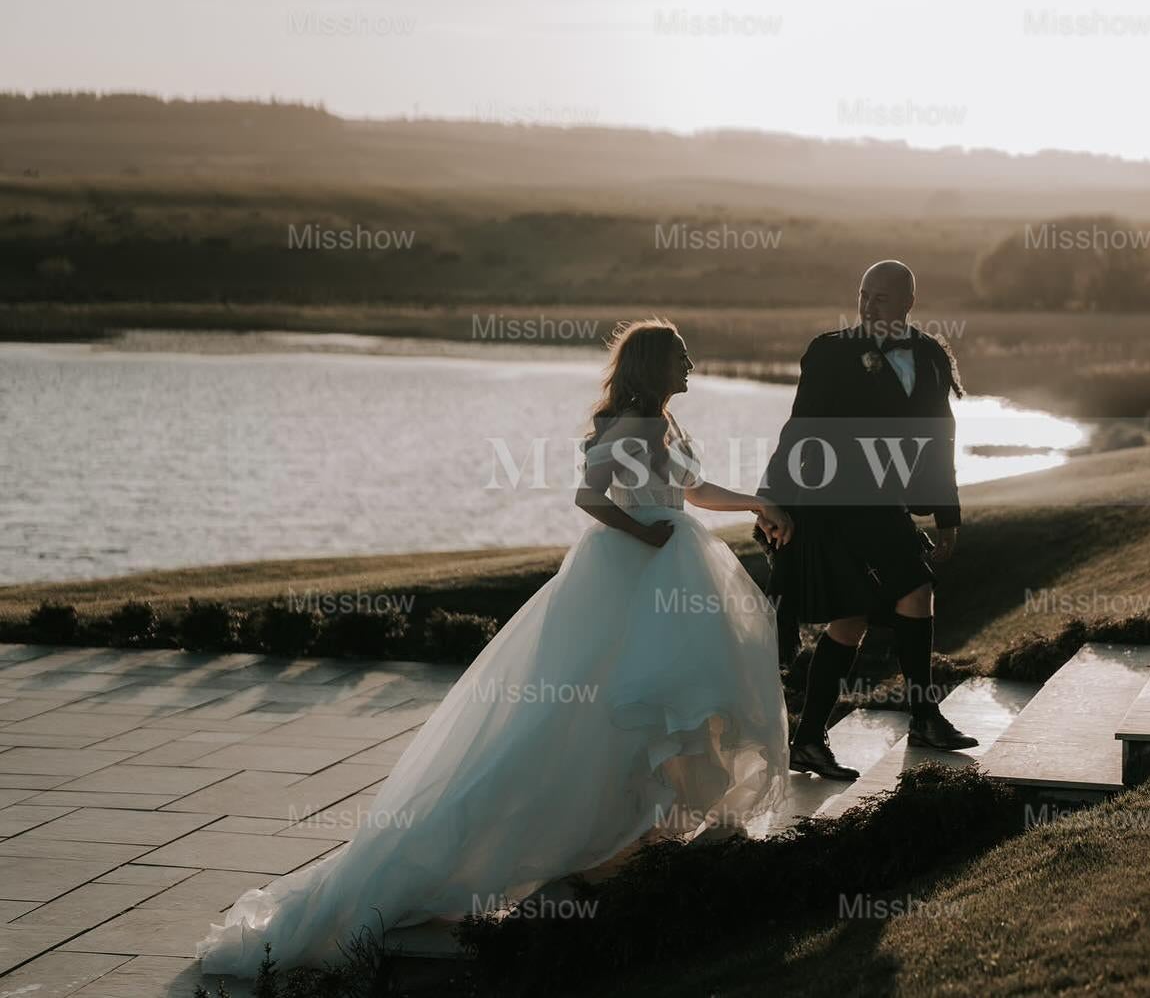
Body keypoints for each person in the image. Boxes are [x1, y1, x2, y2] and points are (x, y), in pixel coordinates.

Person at [196, 318, 793, 974]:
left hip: (672, 567)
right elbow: (589, 496)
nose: (690, 364)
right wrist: (643, 531)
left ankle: (634, 839)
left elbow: (691, 491)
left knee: (660, 699)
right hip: (629, 571)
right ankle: (556, 847)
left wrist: (756, 503)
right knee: (600, 706)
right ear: (653, 364)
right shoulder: (628, 424)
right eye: (680, 356)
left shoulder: (668, 427)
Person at [756, 260, 978, 779]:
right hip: (832, 502)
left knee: (863, 612)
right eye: (862, 294)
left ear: (907, 303)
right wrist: (771, 497)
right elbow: (800, 429)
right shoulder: (830, 351)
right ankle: (915, 716)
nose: (867, 304)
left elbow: (939, 440)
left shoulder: (928, 355)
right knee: (906, 590)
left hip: (886, 503)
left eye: (879, 297)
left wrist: (947, 516)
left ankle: (813, 737)